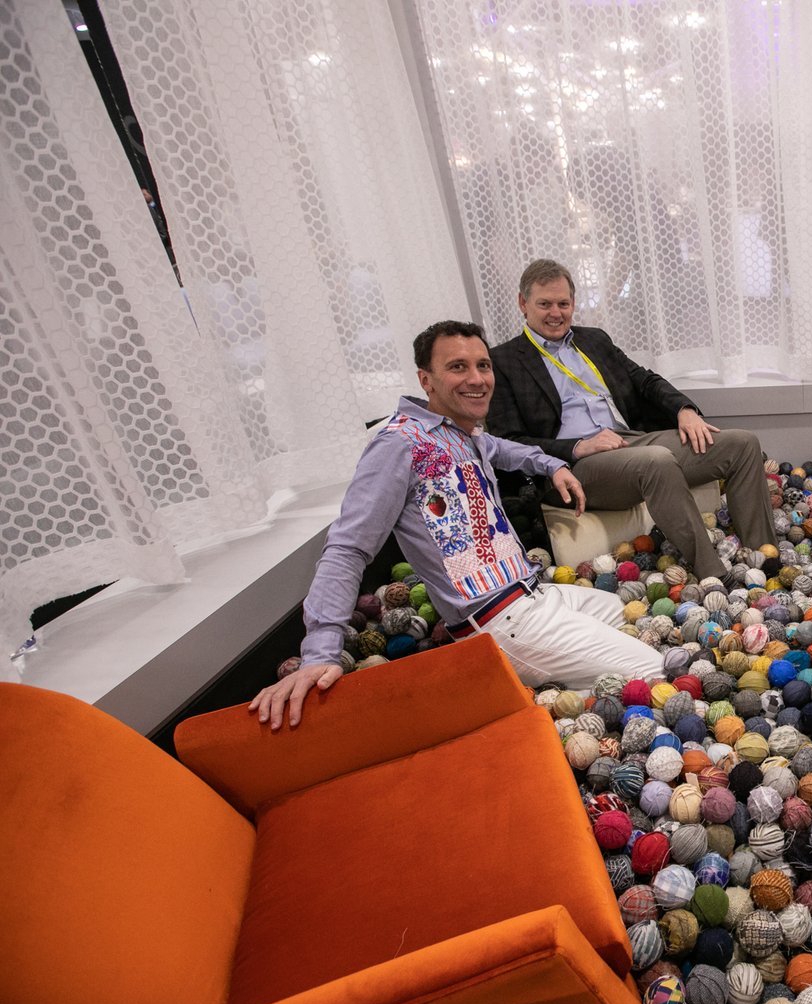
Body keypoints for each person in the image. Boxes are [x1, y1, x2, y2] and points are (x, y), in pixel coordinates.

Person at [251, 320, 664, 731]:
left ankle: (552, 679)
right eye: (457, 367)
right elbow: (347, 547)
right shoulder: (399, 443)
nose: (477, 379)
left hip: (533, 594)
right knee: (653, 671)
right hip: (500, 622)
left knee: (625, 611)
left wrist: (552, 464)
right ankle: (536, 705)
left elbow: (504, 449)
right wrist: (320, 653)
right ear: (426, 380)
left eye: (483, 366)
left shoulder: (463, 433)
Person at [487, 258, 776, 580]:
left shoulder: (594, 340)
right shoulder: (502, 361)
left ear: (573, 304)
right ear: (523, 303)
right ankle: (715, 577)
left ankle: (764, 559)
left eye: (563, 304)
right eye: (545, 304)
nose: (556, 313)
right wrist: (578, 446)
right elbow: (507, 441)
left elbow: (645, 380)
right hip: (575, 465)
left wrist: (684, 409)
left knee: (742, 443)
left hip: (630, 440)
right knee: (656, 461)